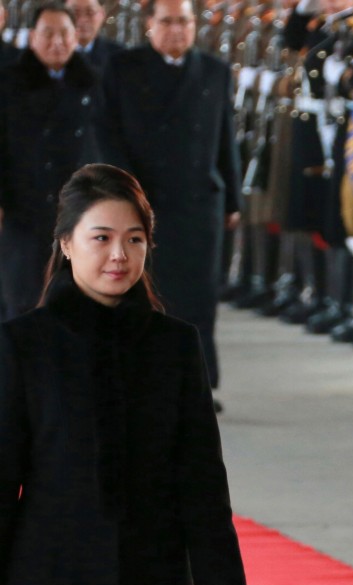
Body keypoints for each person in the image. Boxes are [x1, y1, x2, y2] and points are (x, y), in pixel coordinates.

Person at [0, 163, 254, 585]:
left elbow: (200, 472)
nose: (119, 255)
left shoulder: (175, 344)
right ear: (66, 243)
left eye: (135, 239)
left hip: (154, 575)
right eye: (102, 238)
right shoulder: (23, 345)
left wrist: (225, 581)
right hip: (53, 575)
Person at [98, 0, 241, 395]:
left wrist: (232, 200)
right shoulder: (124, 68)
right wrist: (123, 196)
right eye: (167, 22)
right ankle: (141, 380)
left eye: (184, 22)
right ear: (149, 25)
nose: (176, 30)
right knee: (143, 293)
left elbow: (224, 140)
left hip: (199, 203)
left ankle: (200, 383)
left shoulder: (215, 71)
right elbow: (108, 136)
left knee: (200, 297)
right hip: (144, 202)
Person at [0, 1, 99, 320]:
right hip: (22, 214)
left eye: (64, 33)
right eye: (48, 33)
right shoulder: (7, 82)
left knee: (77, 308)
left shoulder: (94, 83)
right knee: (24, 306)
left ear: (76, 37)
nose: (57, 42)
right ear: (32, 37)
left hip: (78, 216)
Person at [66, 0, 124, 74]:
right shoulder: (51, 56)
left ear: (102, 14)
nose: (83, 20)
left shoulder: (119, 55)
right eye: (75, 12)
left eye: (90, 12)